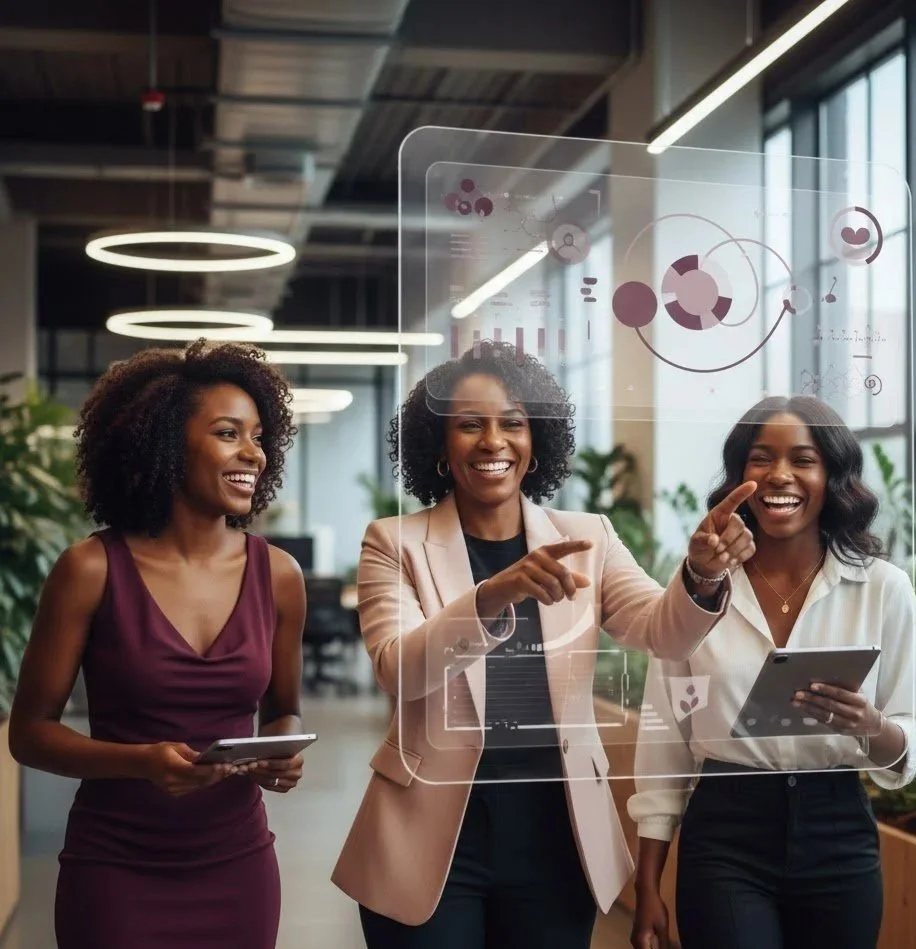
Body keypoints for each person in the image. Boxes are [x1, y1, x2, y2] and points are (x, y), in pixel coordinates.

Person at [331, 340, 759, 949]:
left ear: (537, 442)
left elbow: (660, 632)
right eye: (469, 425)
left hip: (556, 836)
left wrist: (702, 575)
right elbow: (397, 669)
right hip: (429, 838)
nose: (493, 441)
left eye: (513, 423)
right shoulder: (394, 542)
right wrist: (489, 596)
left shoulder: (588, 536)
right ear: (438, 444)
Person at [8, 340, 307, 949]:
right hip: (116, 870)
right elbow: (29, 732)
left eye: (258, 436)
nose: (254, 452)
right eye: (229, 434)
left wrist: (282, 750)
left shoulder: (278, 575)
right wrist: (138, 761)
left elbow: (283, 708)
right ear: (168, 444)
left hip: (238, 865)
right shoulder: (89, 570)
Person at [628, 395, 916, 949]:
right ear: (738, 475)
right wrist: (648, 883)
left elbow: (913, 738)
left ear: (833, 476)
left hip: (838, 832)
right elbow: (665, 746)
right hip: (726, 832)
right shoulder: (699, 591)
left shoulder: (884, 589)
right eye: (760, 458)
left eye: (803, 459)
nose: (780, 475)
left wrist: (870, 725)